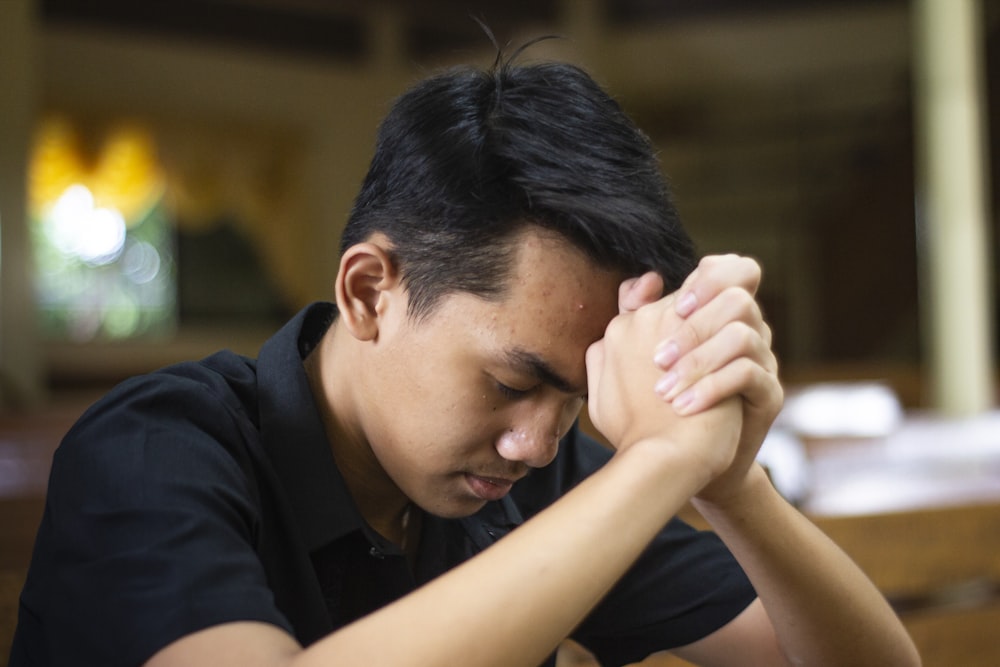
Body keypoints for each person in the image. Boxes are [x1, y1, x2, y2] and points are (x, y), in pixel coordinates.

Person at [11, 47, 920, 667]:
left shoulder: (539, 475)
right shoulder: (153, 451)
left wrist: (728, 483)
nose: (535, 439)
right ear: (370, 292)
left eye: (571, 395)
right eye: (514, 381)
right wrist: (654, 464)